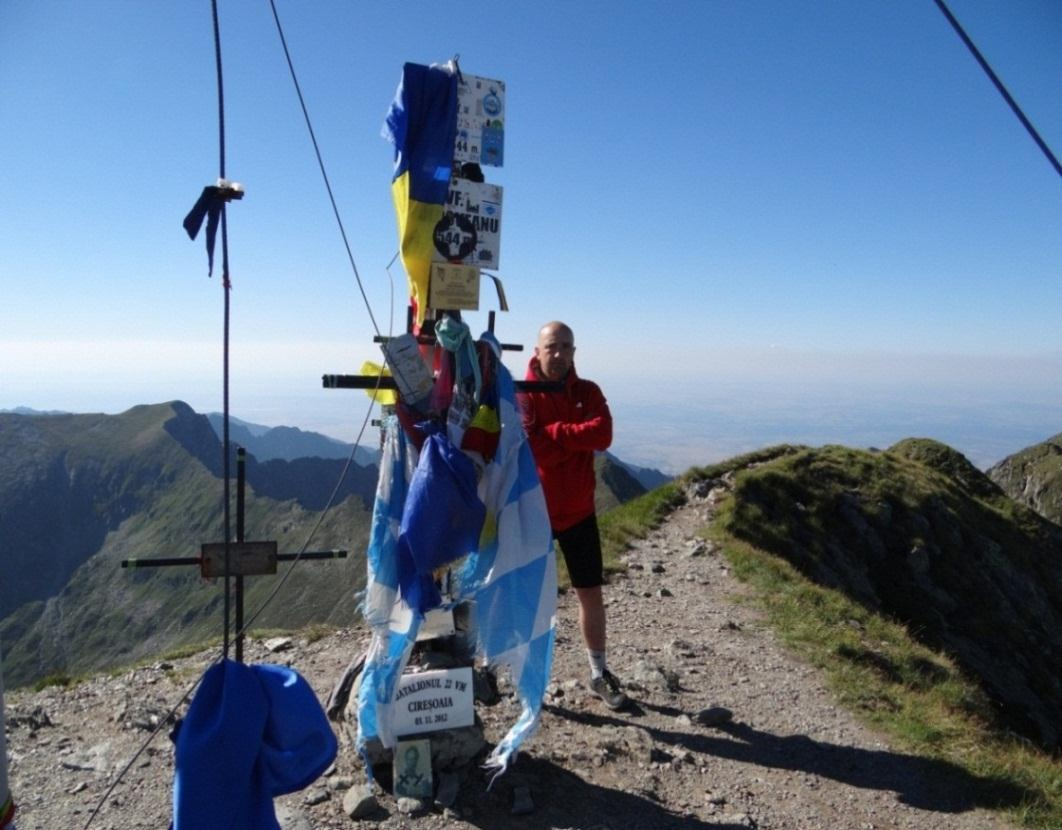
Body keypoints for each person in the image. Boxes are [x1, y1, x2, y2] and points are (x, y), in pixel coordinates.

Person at [518, 321, 627, 710]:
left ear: (574, 351)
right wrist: (573, 438)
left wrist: (555, 432)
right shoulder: (522, 396)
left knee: (590, 594)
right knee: (527, 597)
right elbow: (532, 451)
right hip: (535, 513)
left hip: (579, 512)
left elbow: (604, 435)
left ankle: (599, 673)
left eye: (567, 346)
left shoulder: (588, 391)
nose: (560, 354)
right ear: (538, 350)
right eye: (552, 346)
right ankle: (514, 676)